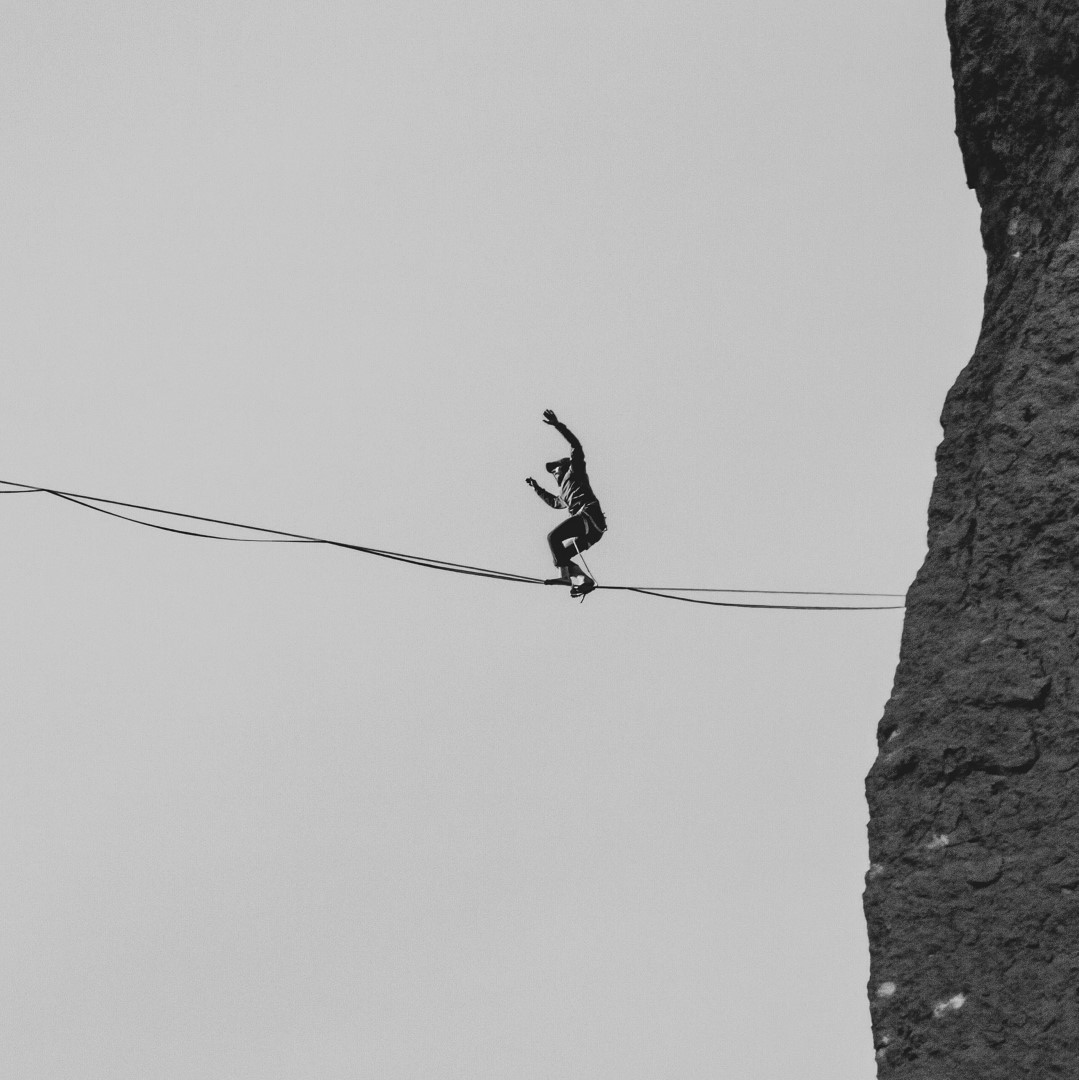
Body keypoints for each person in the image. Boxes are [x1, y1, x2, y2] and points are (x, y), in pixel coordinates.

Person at [525, 409, 607, 597]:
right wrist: (537, 488)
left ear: (565, 467)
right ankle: (585, 580)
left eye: (555, 469)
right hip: (592, 532)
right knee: (560, 556)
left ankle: (564, 577)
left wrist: (557, 425)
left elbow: (576, 445)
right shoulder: (563, 493)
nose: (554, 474)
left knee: (552, 538)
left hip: (589, 515)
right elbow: (555, 502)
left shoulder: (575, 471)